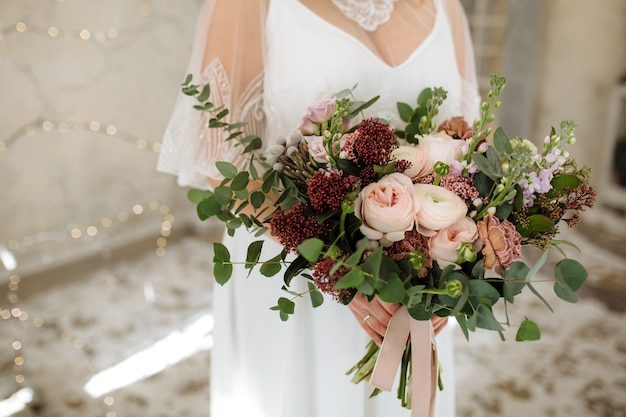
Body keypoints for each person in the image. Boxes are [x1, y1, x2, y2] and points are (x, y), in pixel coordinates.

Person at [158, 0, 481, 416]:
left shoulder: (445, 8)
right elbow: (224, 163)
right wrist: (344, 273)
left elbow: (466, 147)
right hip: (296, 274)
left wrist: (450, 271)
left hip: (414, 284)